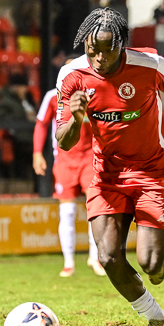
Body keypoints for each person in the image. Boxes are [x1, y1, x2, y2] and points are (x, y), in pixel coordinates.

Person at [55, 8, 164, 326]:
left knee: (151, 266)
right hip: (107, 174)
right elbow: (64, 141)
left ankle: (159, 258)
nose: (99, 58)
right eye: (92, 50)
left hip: (153, 171)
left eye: (107, 50)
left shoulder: (150, 65)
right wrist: (76, 118)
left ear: (122, 45)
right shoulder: (72, 76)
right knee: (107, 256)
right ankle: (157, 321)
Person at [33, 83, 107, 278]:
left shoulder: (92, 93)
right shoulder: (52, 96)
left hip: (90, 157)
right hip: (64, 159)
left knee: (95, 207)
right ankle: (68, 263)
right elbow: (41, 123)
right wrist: (37, 153)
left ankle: (95, 258)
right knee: (67, 211)